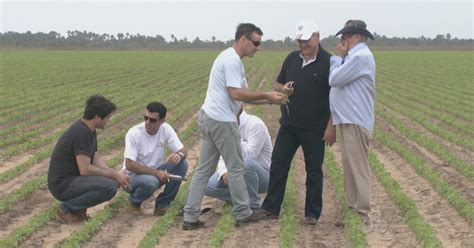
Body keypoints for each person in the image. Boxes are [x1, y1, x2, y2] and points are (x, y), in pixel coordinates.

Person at [183, 23, 285, 230]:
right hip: (221, 121)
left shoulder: (231, 59)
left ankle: (190, 217)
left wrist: (270, 100)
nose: (258, 47)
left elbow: (240, 99)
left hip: (208, 117)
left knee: (204, 170)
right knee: (237, 167)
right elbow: (235, 94)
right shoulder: (231, 60)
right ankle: (243, 213)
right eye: (256, 42)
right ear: (243, 40)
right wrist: (266, 94)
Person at [256, 19, 335, 226]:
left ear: (317, 37)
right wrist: (284, 89)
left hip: (315, 128)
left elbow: (336, 98)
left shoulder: (329, 62)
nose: (303, 45)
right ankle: (271, 208)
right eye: (300, 41)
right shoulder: (292, 58)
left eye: (307, 40)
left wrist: (330, 127)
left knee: (314, 170)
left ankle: (312, 214)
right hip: (289, 125)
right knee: (279, 164)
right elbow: (277, 82)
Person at [48, 95, 130, 224]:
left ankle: (78, 211)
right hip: (63, 185)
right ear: (97, 117)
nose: (108, 121)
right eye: (107, 117)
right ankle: (66, 209)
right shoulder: (82, 133)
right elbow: (85, 169)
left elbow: (95, 158)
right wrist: (114, 176)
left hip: (71, 180)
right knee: (109, 187)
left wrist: (116, 174)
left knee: (111, 181)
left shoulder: (88, 130)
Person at [329, 20, 376, 220]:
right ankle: (352, 207)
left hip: (356, 120)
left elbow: (334, 79)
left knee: (357, 166)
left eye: (345, 37)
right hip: (348, 119)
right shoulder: (353, 57)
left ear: (357, 36)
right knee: (348, 166)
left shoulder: (360, 57)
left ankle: (363, 210)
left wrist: (336, 59)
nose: (342, 41)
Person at [123, 101, 188, 216]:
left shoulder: (166, 129)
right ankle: (134, 202)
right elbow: (130, 164)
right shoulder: (134, 133)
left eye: (152, 120)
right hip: (131, 176)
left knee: (183, 164)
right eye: (146, 118)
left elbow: (183, 150)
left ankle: (163, 204)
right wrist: (156, 173)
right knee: (151, 182)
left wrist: (180, 155)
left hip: (155, 171)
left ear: (162, 121)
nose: (148, 122)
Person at [205, 110, 272, 209]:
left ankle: (253, 205)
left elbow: (250, 154)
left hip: (262, 175)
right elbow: (221, 154)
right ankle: (242, 199)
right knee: (207, 186)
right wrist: (224, 172)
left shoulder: (256, 125)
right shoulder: (224, 127)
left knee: (246, 164)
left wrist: (233, 138)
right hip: (235, 172)